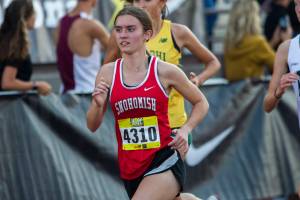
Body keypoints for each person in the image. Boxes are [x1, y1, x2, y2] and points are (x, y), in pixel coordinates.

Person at [87, 6, 209, 200]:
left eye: (130, 29)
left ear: (147, 34)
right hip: (131, 165)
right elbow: (92, 125)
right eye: (118, 30)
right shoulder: (107, 73)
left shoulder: (165, 71)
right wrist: (97, 104)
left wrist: (186, 130)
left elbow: (201, 102)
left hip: (164, 156)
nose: (123, 35)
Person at [104, 0, 220, 137]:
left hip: (173, 125)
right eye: (136, 0)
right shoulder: (121, 35)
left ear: (163, 2)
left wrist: (198, 80)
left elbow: (213, 62)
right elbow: (105, 75)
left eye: (147, 0)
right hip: (137, 126)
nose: (141, 5)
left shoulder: (177, 32)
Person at [264, 0, 300, 197]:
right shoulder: (287, 48)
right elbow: (267, 105)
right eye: (296, 4)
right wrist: (279, 90)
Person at [56, 0, 109, 93]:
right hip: (87, 93)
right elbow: (117, 50)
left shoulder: (61, 23)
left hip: (65, 95)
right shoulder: (90, 25)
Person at [0, 0, 51, 95]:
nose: (35, 17)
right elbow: (7, 83)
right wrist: (36, 85)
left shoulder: (6, 40)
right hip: (7, 106)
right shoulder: (16, 44)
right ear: (25, 17)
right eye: (34, 13)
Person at [224, 0, 275, 82]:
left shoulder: (229, 42)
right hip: (253, 92)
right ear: (254, 16)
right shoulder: (258, 42)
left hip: (232, 92)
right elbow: (278, 65)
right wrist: (280, 40)